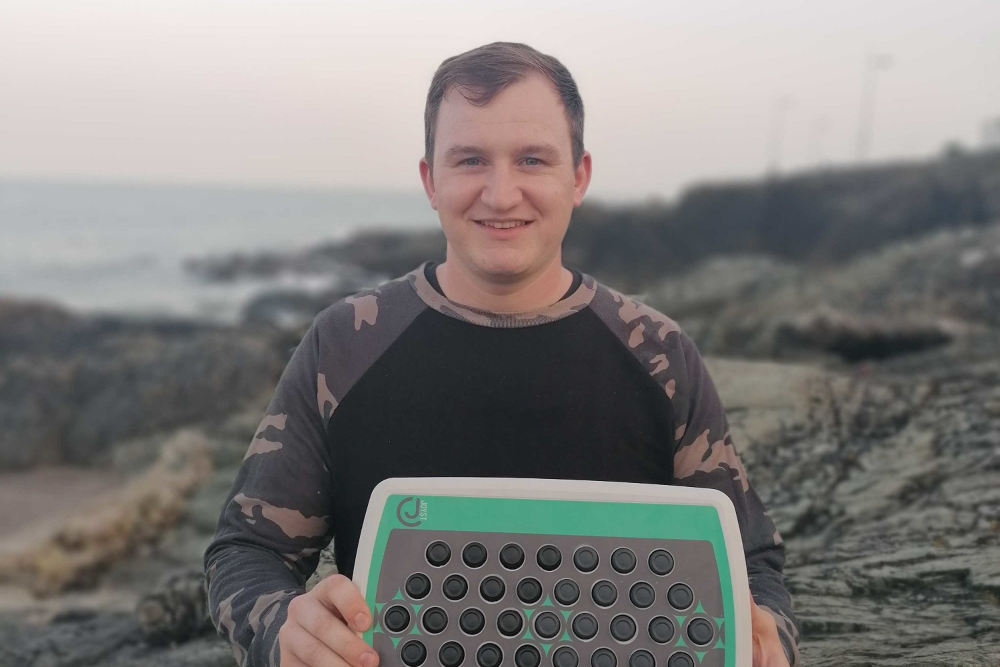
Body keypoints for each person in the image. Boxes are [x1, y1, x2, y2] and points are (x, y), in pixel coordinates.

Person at [204, 42, 800, 667]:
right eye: (469, 160)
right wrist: (283, 631)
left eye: (533, 159)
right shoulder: (345, 345)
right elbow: (248, 551)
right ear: (430, 181)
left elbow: (751, 563)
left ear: (579, 178)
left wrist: (769, 640)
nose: (501, 192)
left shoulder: (659, 356)